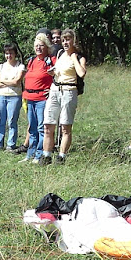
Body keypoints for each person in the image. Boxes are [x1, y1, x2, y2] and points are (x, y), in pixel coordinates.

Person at [39, 28, 86, 165]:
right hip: (55, 89)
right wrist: (53, 72)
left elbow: (81, 73)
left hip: (68, 90)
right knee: (48, 124)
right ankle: (46, 155)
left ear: (74, 41)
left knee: (65, 127)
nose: (65, 42)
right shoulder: (59, 54)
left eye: (68, 40)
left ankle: (61, 156)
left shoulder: (79, 57)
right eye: (64, 40)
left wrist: (73, 57)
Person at [21, 33, 55, 163]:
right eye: (36, 46)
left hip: (42, 98)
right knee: (32, 127)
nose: (38, 48)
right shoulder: (31, 61)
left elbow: (57, 74)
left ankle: (39, 154)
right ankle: (30, 154)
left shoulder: (50, 60)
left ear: (46, 47)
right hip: (30, 98)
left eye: (41, 45)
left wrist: (51, 89)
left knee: (42, 128)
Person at [0, 42, 25, 152]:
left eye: (11, 53)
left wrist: (2, 81)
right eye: (6, 53)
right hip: (1, 96)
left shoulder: (20, 66)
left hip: (15, 96)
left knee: (12, 121)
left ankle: (11, 144)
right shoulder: (0, 67)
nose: (8, 56)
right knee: (0, 121)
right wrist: (9, 82)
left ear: (15, 54)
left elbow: (17, 82)